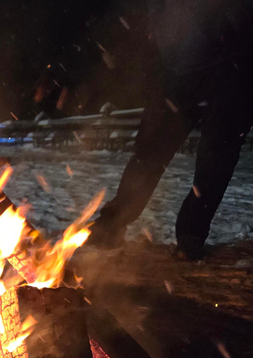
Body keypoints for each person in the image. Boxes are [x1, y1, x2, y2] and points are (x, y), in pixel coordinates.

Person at [88, 0, 253, 261]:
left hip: (234, 67)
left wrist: (228, 24)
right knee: (149, 151)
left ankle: (190, 238)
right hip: (179, 67)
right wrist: (159, 28)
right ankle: (111, 225)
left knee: (216, 160)